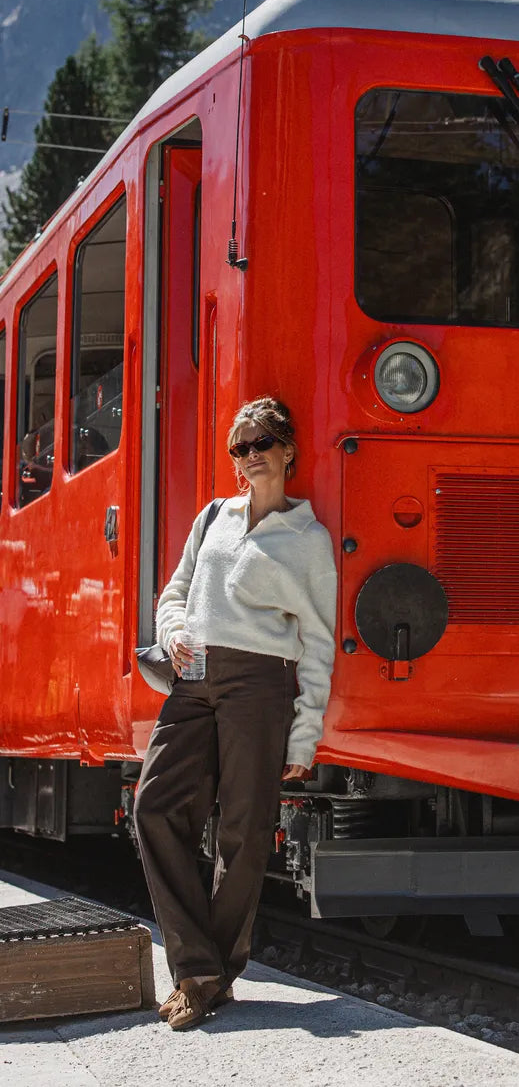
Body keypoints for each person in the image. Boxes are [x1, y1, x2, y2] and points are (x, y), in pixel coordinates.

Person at [134, 396, 337, 1031]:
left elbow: (320, 643)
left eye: (261, 444)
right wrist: (172, 634)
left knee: (245, 833)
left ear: (288, 451)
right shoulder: (214, 517)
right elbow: (174, 592)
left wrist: (303, 740)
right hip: (193, 677)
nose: (250, 457)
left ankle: (207, 977)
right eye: (239, 448)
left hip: (260, 683)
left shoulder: (308, 539)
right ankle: (200, 966)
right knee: (153, 806)